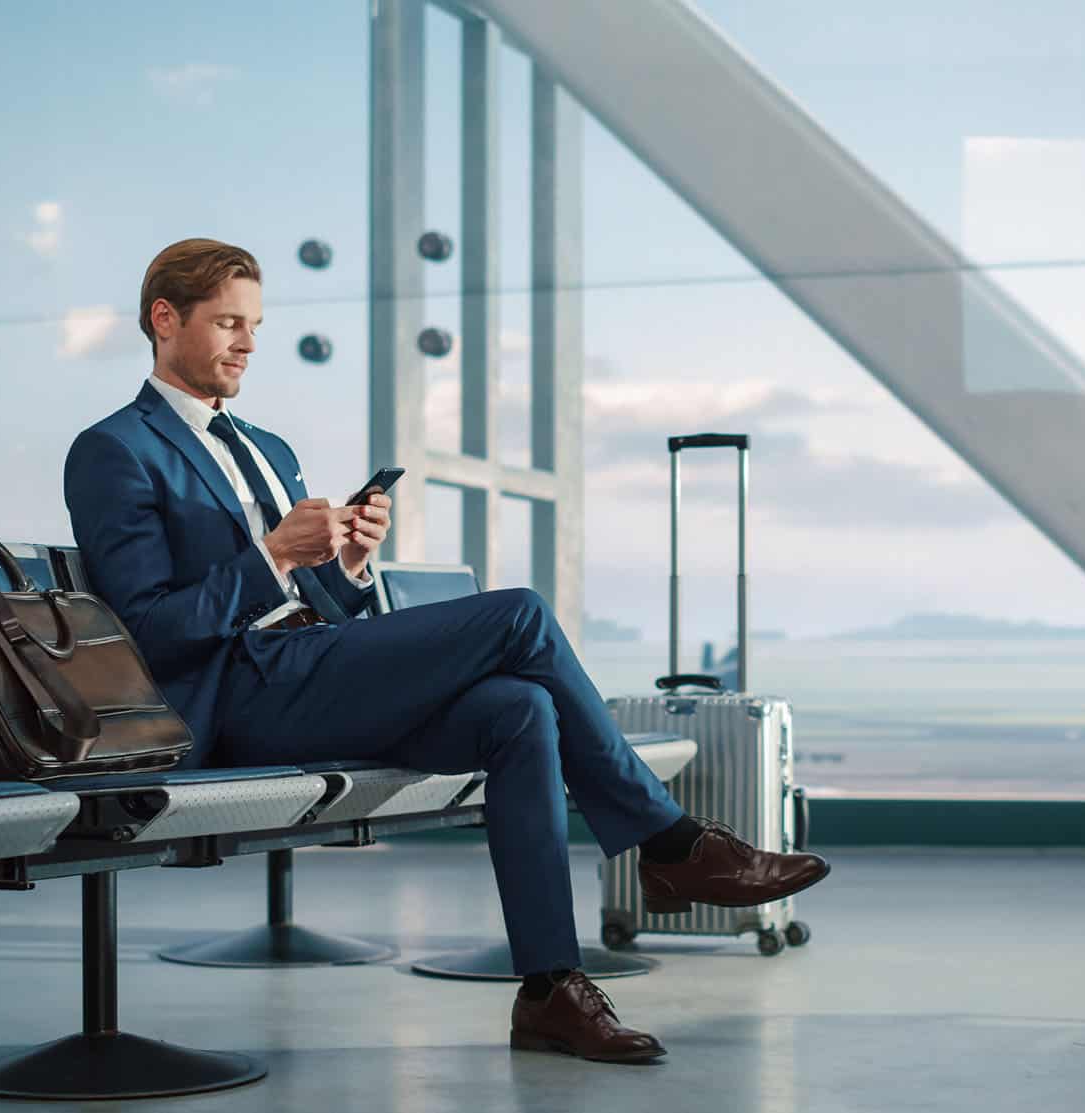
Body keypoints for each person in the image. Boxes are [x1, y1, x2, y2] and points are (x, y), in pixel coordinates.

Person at [64, 238, 830, 1063]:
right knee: (520, 617)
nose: (248, 343)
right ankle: (672, 845)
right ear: (165, 319)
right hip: (235, 698)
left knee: (520, 710)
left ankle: (550, 991)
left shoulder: (266, 447)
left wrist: (349, 563)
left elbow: (318, 604)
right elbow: (147, 629)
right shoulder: (115, 450)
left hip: (309, 668)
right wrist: (275, 555)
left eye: (255, 325)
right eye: (227, 324)